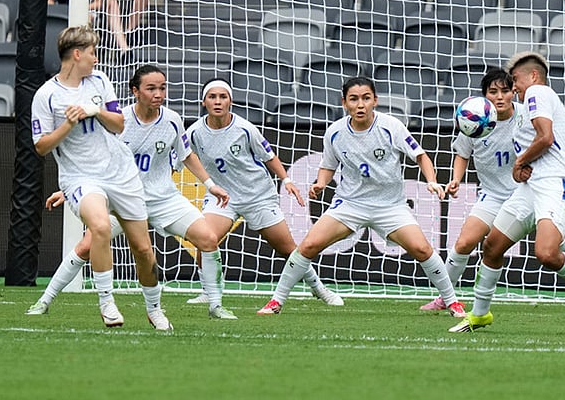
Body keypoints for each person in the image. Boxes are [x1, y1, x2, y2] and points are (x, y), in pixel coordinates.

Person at [26, 65, 238, 320]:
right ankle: (44, 300)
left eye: (162, 87)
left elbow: (186, 155)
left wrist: (209, 184)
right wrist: (67, 190)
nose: (158, 94)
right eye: (151, 88)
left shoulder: (172, 120)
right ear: (135, 91)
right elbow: (93, 157)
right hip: (121, 197)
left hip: (162, 198)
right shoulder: (117, 121)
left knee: (208, 239)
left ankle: (215, 305)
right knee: (85, 247)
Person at [257, 76, 465, 316]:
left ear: (375, 100)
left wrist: (431, 181)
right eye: (354, 99)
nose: (360, 104)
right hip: (350, 204)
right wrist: (320, 183)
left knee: (422, 249)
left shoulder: (391, 126)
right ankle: (276, 301)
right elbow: (328, 165)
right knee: (309, 245)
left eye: (366, 98)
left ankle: (452, 302)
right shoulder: (335, 132)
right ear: (344, 103)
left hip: (390, 207)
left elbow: (420, 155)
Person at [419, 68, 565, 313]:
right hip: (492, 195)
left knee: (558, 242)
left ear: (513, 92)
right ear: (484, 96)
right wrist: (456, 179)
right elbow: (462, 154)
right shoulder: (474, 118)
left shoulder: (526, 114)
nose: (499, 97)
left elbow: (556, 148)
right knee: (465, 243)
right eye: (492, 92)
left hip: (527, 191)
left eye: (505, 91)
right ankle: (446, 298)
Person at [30, 25, 171, 330]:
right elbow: (41, 146)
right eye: (92, 52)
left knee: (143, 250)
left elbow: (119, 124)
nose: (96, 58)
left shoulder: (100, 80)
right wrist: (67, 125)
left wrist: (94, 110)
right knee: (100, 226)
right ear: (77, 54)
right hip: (80, 177)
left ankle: (154, 308)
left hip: (120, 173)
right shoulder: (46, 95)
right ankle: (107, 303)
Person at [186, 78, 344, 309]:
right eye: (212, 97)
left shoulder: (245, 128)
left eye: (223, 97)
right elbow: (185, 157)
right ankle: (209, 292)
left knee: (288, 250)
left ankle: (319, 288)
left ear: (230, 101)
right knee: (205, 239)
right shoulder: (195, 132)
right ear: (204, 102)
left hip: (257, 195)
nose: (218, 101)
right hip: (223, 198)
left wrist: (287, 180)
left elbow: (269, 156)